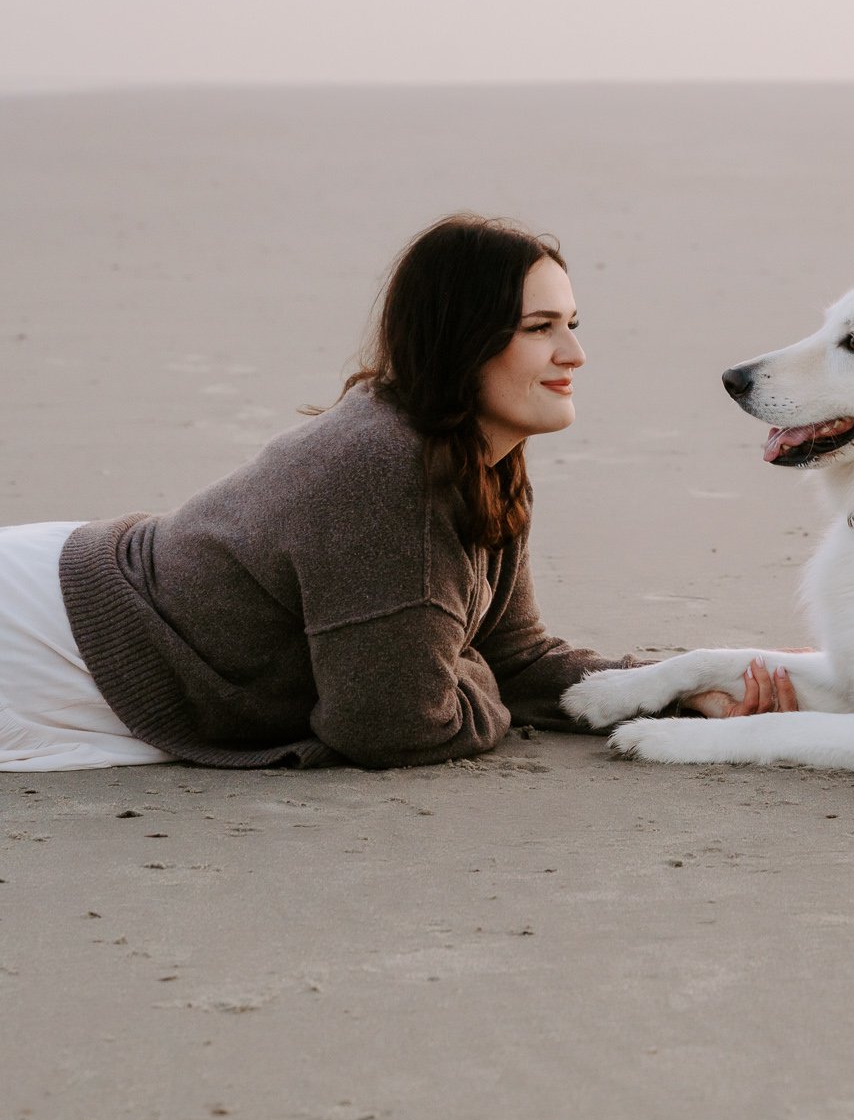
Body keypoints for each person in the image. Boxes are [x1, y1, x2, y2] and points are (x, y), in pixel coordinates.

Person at [0, 215, 796, 774]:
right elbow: (394, 728)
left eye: (573, 323)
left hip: (87, 596)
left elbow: (513, 654)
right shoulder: (390, 475)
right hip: (48, 652)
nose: (574, 353)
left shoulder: (475, 454)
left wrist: (676, 687)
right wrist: (466, 674)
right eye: (539, 328)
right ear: (463, 342)